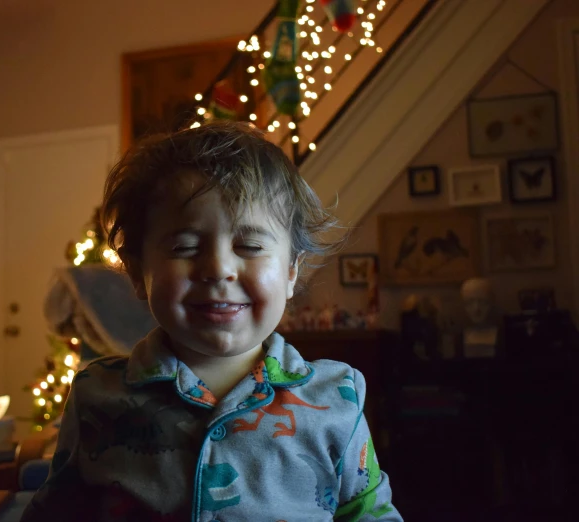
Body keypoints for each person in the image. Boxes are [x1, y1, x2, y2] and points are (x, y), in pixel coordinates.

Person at [22, 122, 401, 521]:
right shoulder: (94, 394)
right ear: (137, 272)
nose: (219, 269)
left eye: (250, 246)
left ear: (291, 271)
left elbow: (371, 513)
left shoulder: (336, 396)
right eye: (185, 246)